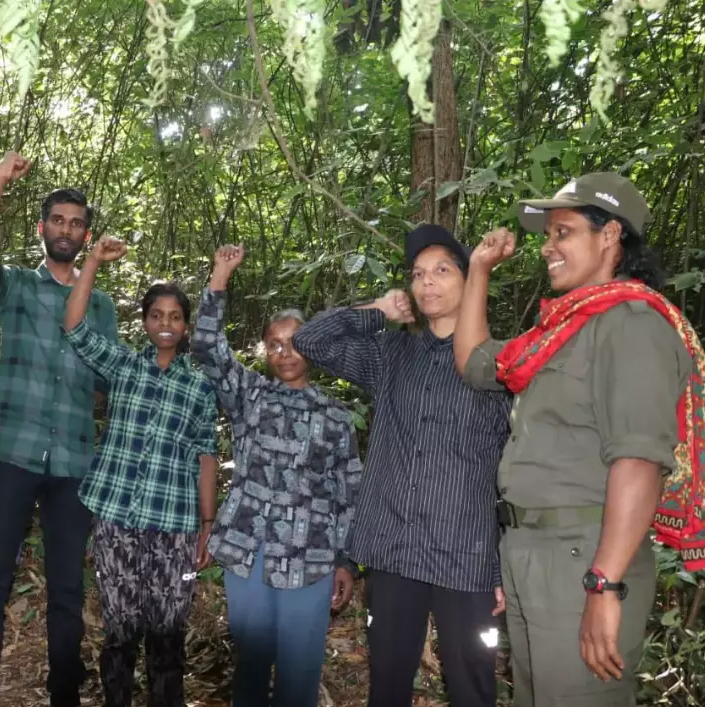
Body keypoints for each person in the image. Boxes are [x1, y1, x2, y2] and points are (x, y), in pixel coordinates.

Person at [453, 172, 698, 705]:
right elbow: (474, 363)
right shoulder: (560, 330)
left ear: (609, 235)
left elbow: (639, 461)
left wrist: (604, 585)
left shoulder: (631, 324)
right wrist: (477, 270)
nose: (548, 248)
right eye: (549, 236)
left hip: (583, 557)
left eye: (562, 233)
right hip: (530, 551)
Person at [292, 224, 512, 707]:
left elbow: (508, 471)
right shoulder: (391, 354)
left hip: (467, 557)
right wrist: (379, 311)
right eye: (417, 273)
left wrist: (502, 564)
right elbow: (310, 340)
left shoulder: (499, 365)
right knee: (387, 686)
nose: (427, 281)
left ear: (469, 279)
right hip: (395, 551)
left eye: (441, 270)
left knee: (472, 687)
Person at [0, 153, 120, 707]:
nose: (66, 230)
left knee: (68, 590)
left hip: (74, 463)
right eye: (58, 221)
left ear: (86, 233)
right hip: (13, 453)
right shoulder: (19, 287)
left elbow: (108, 379)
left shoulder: (99, 304)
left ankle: (64, 695)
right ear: (43, 228)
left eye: (76, 223)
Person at [191, 245, 358, 707]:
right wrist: (220, 272)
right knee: (249, 665)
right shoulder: (249, 395)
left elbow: (350, 493)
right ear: (265, 349)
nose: (285, 353)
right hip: (249, 552)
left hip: (311, 558)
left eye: (296, 342)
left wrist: (347, 561)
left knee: (299, 673)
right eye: (276, 344)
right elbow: (206, 345)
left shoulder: (336, 415)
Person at [61, 235, 219, 707]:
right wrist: (91, 261)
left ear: (186, 325)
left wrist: (207, 526)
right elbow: (73, 326)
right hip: (117, 517)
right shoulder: (126, 366)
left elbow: (206, 456)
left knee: (168, 628)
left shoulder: (199, 387)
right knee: (121, 624)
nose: (165, 324)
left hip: (173, 524)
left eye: (174, 316)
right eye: (156, 315)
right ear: (145, 321)